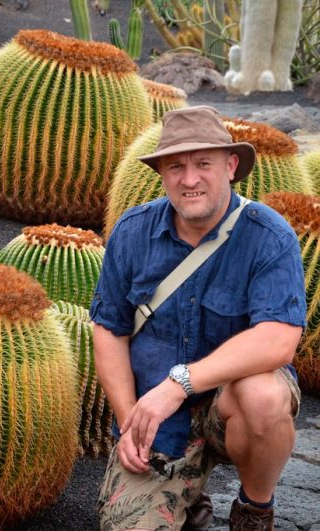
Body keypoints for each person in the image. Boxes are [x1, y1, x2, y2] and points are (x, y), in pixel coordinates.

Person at [90, 106, 305, 531]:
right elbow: (109, 330)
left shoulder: (269, 237)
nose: (189, 179)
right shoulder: (133, 233)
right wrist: (129, 417)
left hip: (233, 409)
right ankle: (187, 496)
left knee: (264, 395)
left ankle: (254, 509)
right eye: (176, 167)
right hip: (160, 423)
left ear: (230, 166)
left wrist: (179, 383)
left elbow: (278, 340)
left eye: (203, 163)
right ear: (162, 174)